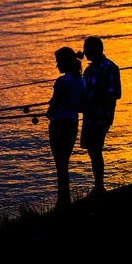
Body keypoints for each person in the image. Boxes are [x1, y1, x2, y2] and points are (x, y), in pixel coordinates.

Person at [80, 36, 121, 197]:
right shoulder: (88, 70)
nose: (84, 52)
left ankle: (99, 187)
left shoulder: (110, 67)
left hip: (102, 115)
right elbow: (84, 92)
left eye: (86, 49)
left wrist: (94, 98)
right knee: (92, 149)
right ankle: (98, 186)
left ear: (94, 50)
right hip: (89, 115)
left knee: (95, 148)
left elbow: (116, 93)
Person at [45, 47, 86, 211]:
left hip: (58, 125)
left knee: (60, 165)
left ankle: (63, 202)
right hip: (72, 124)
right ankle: (64, 200)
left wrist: (49, 112)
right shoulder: (81, 80)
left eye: (58, 62)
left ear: (64, 62)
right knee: (64, 163)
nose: (56, 66)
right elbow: (81, 106)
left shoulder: (62, 81)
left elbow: (53, 105)